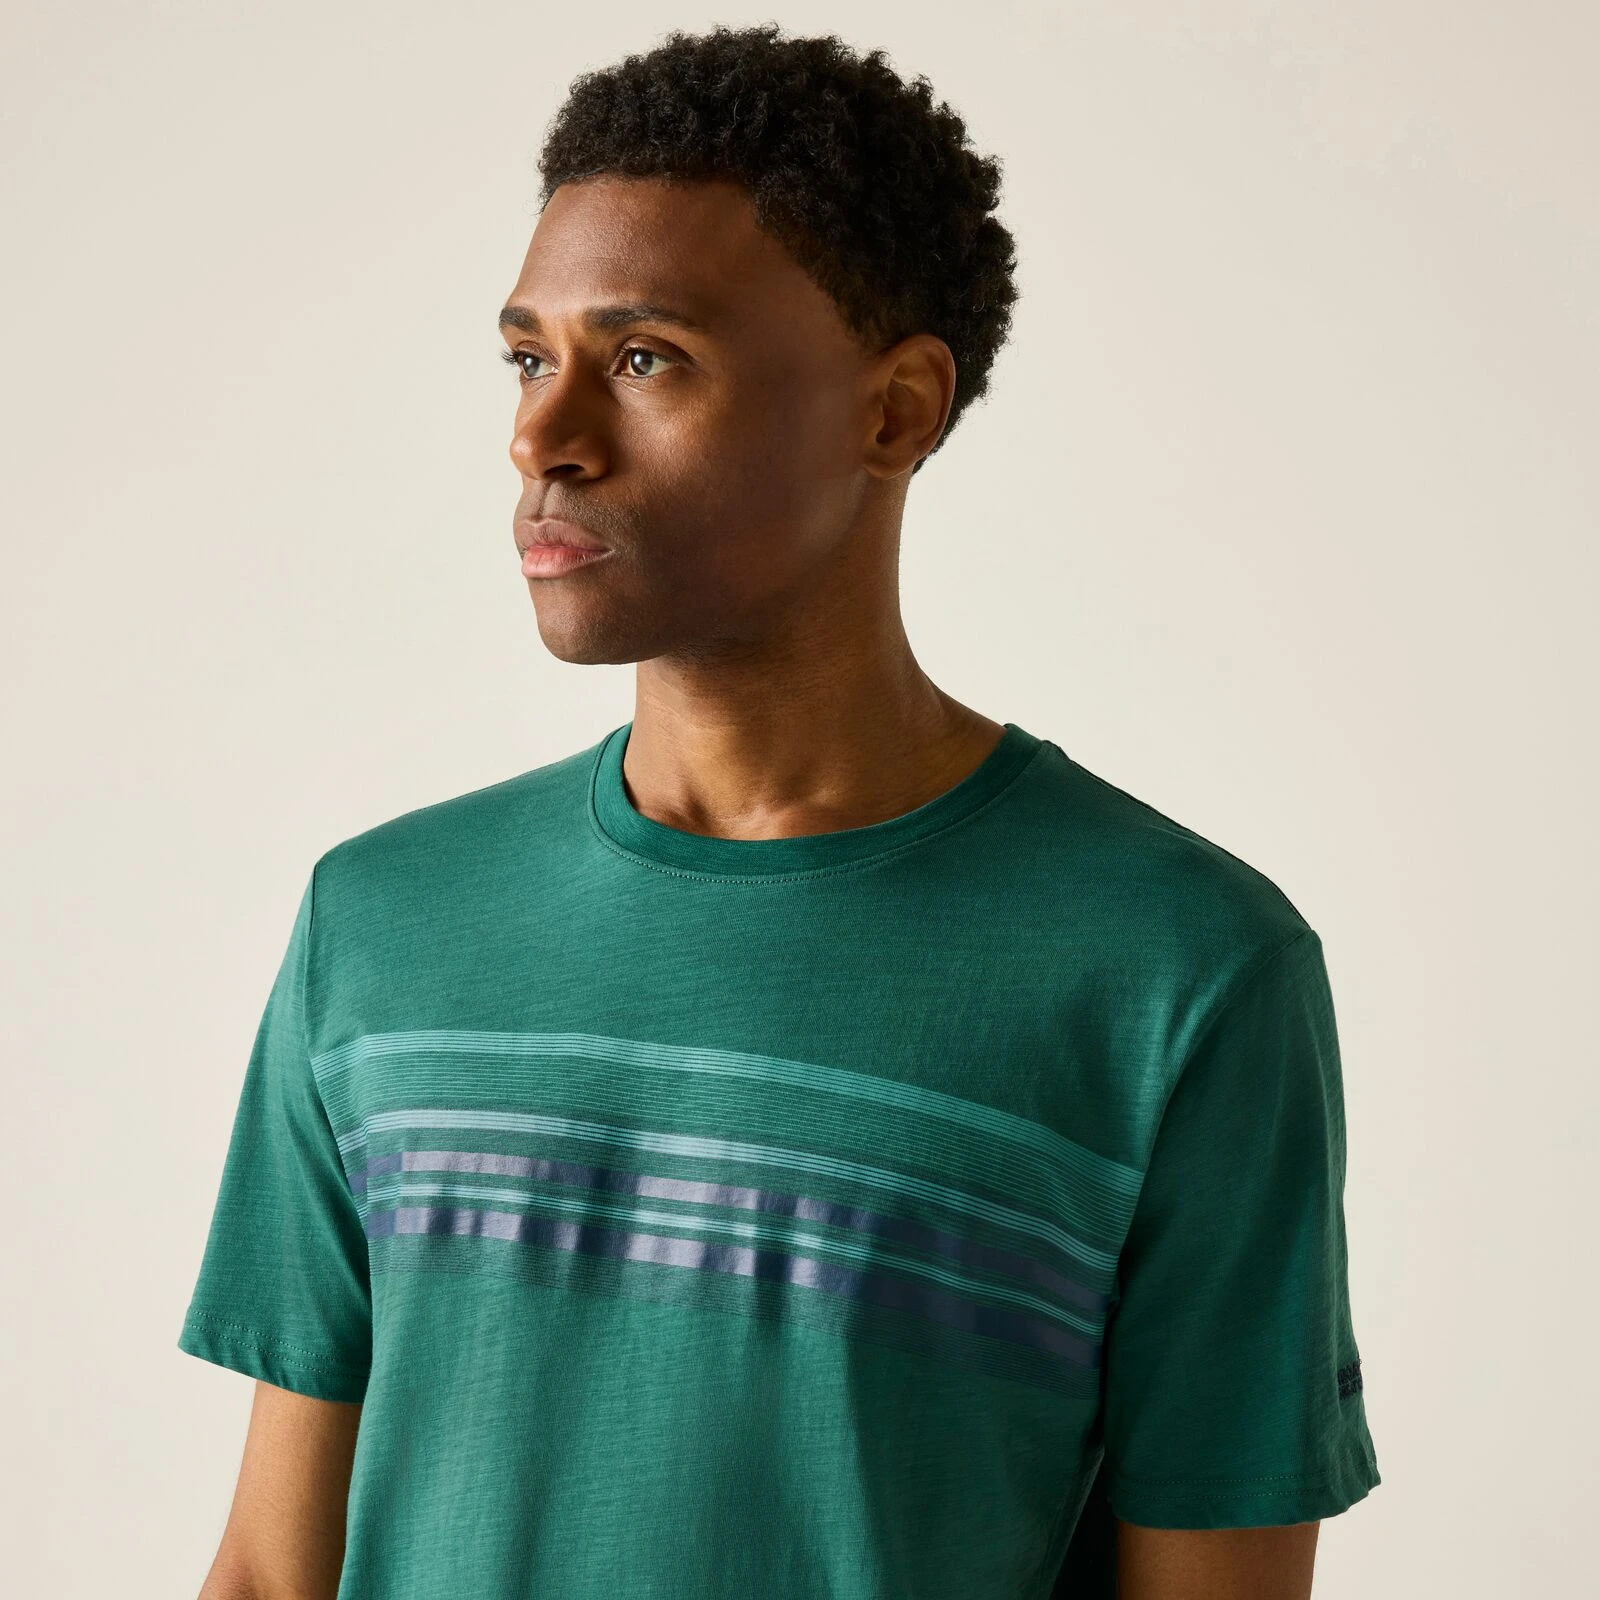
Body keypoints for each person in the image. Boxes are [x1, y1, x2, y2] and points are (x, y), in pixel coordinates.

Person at [178, 23, 1379, 1600]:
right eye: (530, 359)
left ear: (895, 413)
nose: (544, 437)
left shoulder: (1179, 970)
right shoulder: (382, 921)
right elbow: (272, 1575)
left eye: (645, 360)